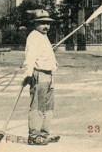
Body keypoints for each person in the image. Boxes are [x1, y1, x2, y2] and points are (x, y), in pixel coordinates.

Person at [22, 9, 60, 146]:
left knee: (48, 107)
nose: (46, 27)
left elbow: (43, 54)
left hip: (49, 75)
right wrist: (28, 74)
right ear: (35, 24)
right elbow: (30, 57)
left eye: (48, 24)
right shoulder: (34, 36)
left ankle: (44, 134)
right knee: (37, 106)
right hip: (39, 74)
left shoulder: (43, 36)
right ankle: (34, 136)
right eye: (42, 23)